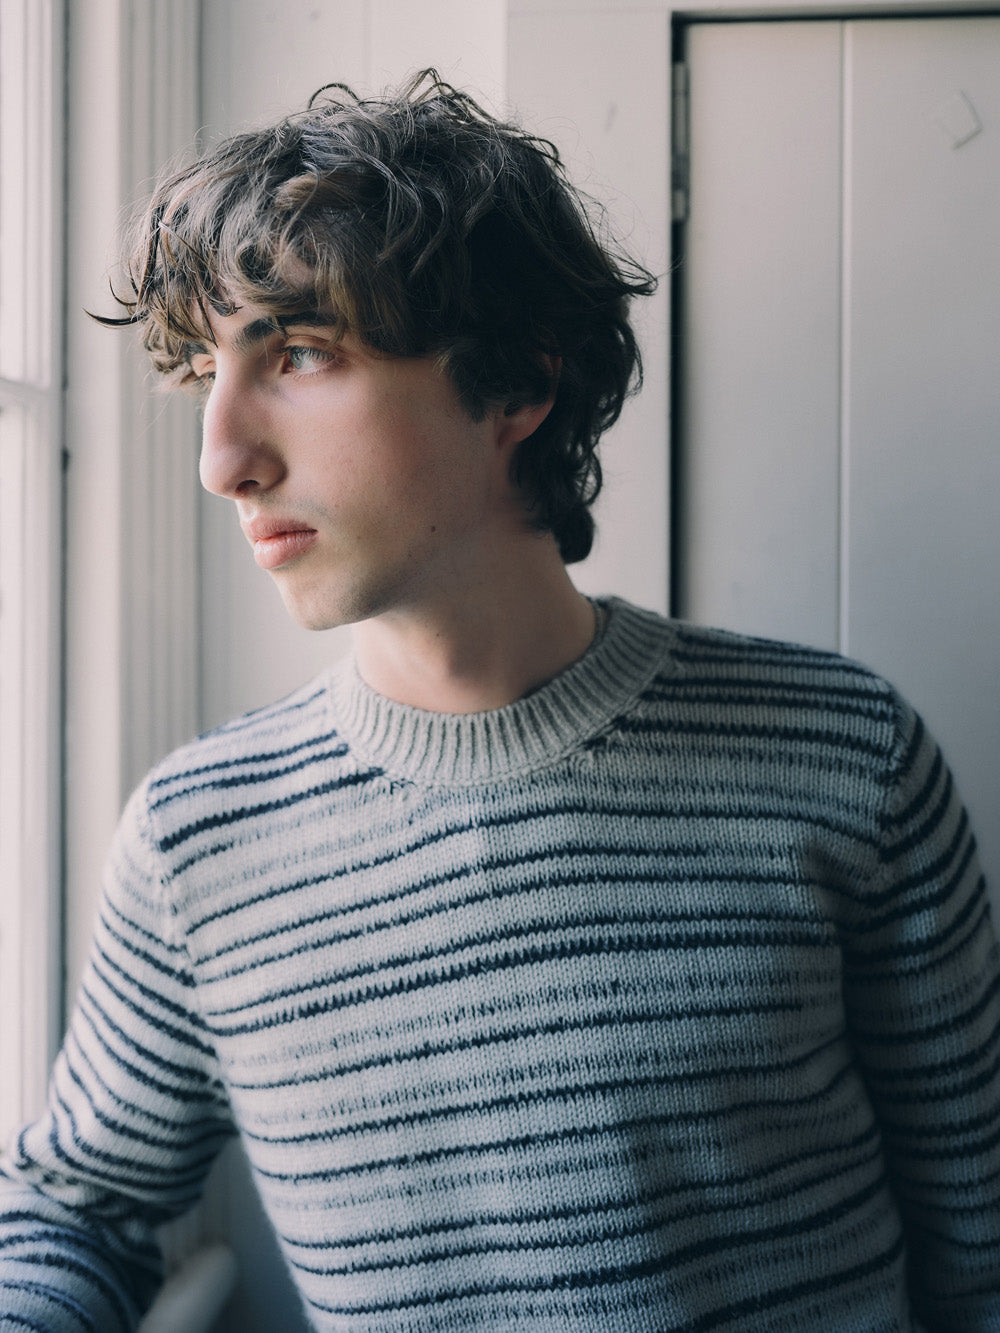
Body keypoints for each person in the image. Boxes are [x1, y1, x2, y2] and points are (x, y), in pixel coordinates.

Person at [2, 69, 999, 1333]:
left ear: (516, 387)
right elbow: (76, 1207)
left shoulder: (844, 756)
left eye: (299, 352)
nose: (222, 458)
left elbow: (981, 1237)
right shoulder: (198, 840)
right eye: (205, 370)